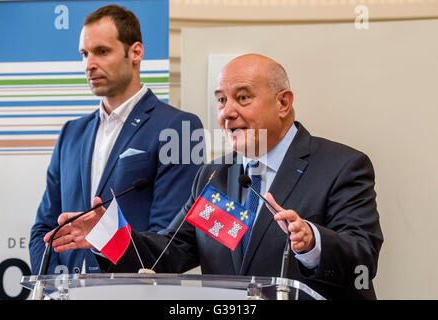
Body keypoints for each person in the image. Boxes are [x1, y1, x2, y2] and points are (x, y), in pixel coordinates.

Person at [45, 54, 383, 300]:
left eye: (242, 97)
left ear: (283, 103)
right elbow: (170, 254)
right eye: (220, 100)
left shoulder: (342, 165)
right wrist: (108, 234)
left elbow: (363, 260)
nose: (227, 112)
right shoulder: (213, 177)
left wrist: (312, 242)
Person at [29, 5, 204, 275]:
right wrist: (55, 287)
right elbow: (44, 229)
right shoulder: (70, 133)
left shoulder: (180, 127)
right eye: (84, 54)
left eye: (102, 51)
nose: (89, 64)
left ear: (136, 52)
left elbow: (169, 239)